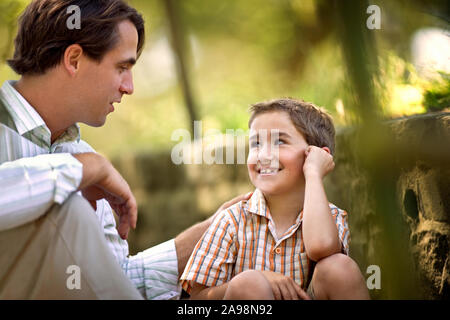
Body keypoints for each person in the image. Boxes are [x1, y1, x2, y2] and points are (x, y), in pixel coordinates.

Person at [0, 0, 248, 299]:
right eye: (121, 67)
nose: (129, 87)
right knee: (68, 207)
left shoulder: (79, 154)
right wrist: (89, 169)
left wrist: (208, 235)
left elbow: (108, 281)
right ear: (75, 59)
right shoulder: (88, 166)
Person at [180, 98, 370, 300]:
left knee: (339, 268)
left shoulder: (332, 216)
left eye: (280, 141)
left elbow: (321, 247)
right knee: (250, 283)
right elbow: (195, 300)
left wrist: (313, 173)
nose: (263, 155)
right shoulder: (232, 221)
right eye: (256, 144)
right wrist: (255, 279)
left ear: (314, 155)